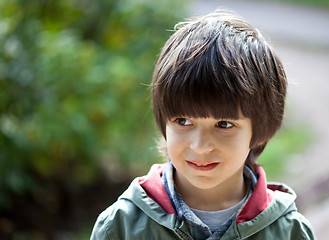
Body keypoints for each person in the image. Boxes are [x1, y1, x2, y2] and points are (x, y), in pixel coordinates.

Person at [90, 11, 316, 240]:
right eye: (183, 121)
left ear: (260, 132)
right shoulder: (121, 227)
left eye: (224, 124)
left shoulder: (289, 232)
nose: (200, 146)